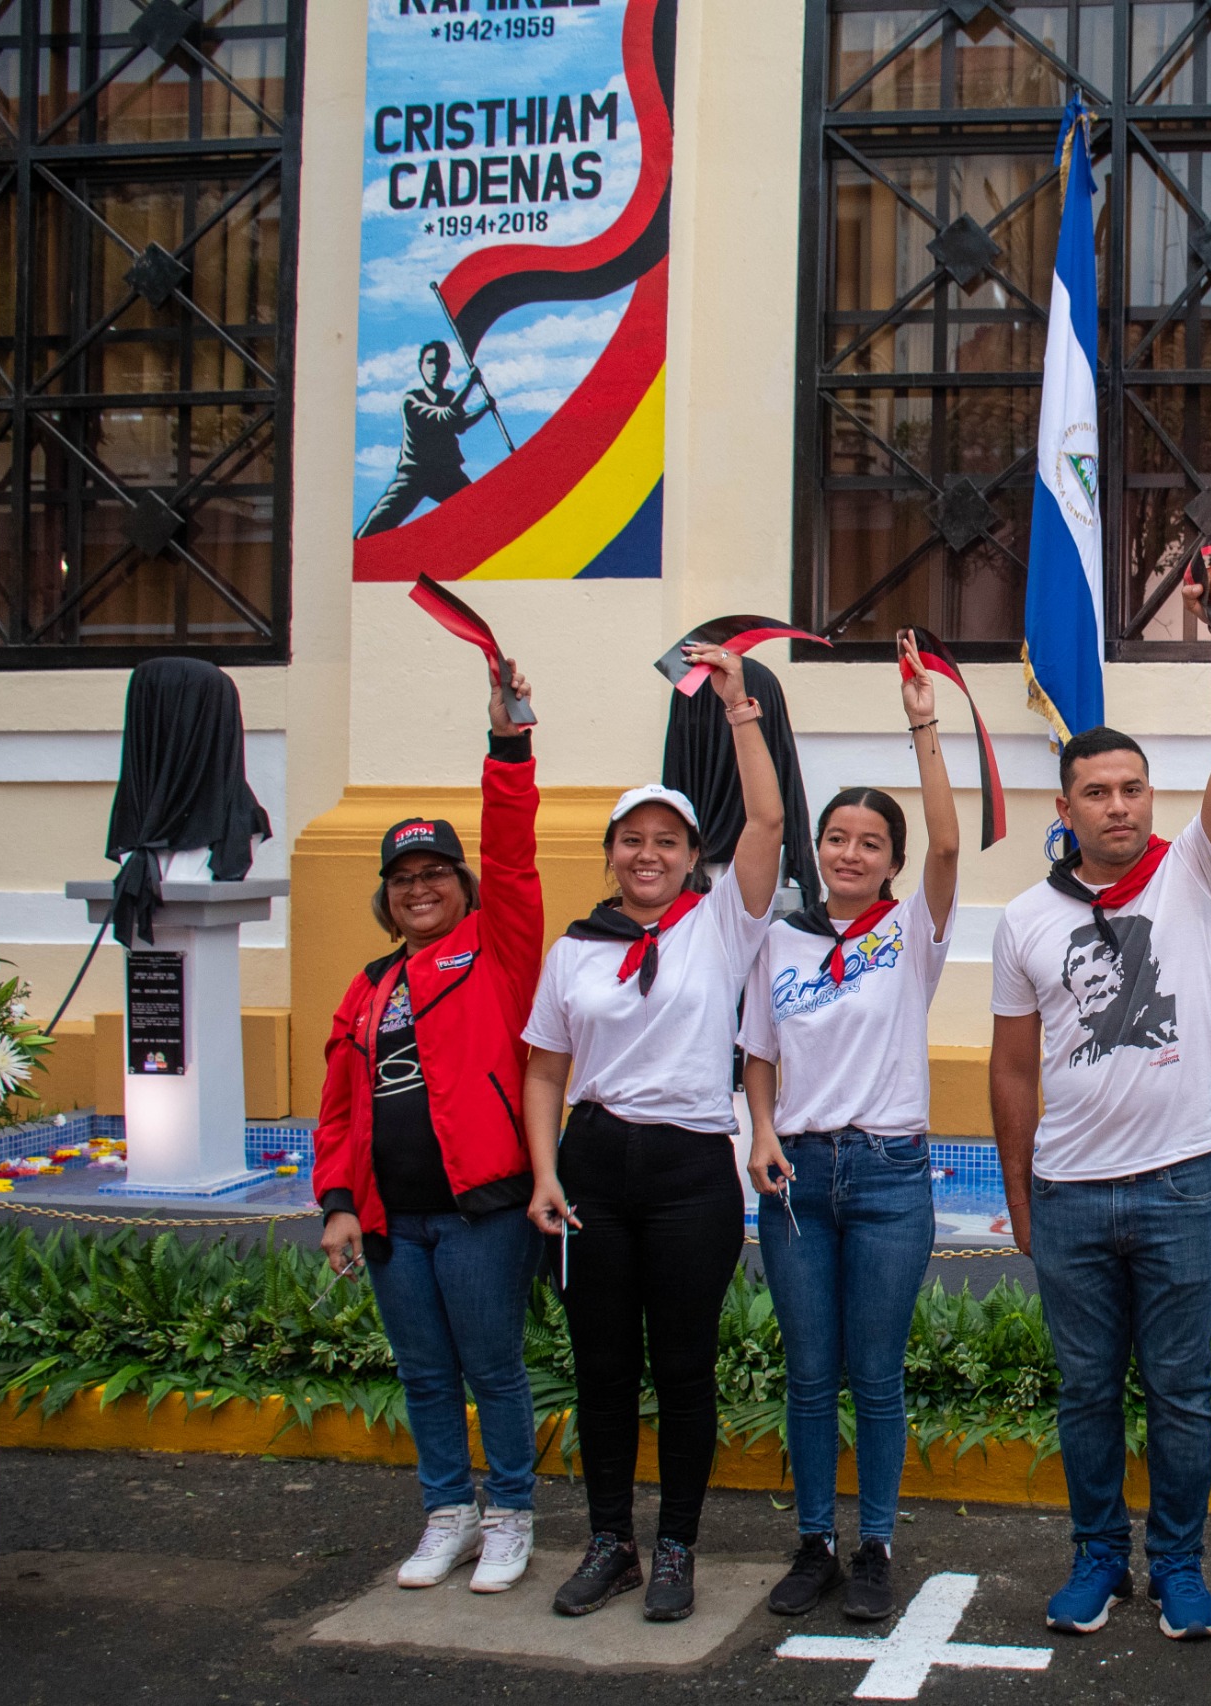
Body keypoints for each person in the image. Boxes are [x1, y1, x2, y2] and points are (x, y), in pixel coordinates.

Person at [987, 555, 1211, 1642]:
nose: (1117, 805)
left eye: (1132, 788)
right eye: (1097, 792)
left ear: (1152, 797)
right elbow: (1013, 1068)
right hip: (1069, 1190)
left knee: (1184, 1396)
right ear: (1066, 806)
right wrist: (1017, 1190)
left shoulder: (1198, 873)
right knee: (1088, 1393)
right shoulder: (1025, 918)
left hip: (1183, 1183)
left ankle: (1180, 1565)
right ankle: (1099, 1556)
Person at [520, 643, 784, 1623]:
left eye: (667, 841)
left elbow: (766, 818)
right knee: (600, 1366)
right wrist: (544, 1172)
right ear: (611, 853)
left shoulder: (720, 926)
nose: (648, 854)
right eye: (633, 840)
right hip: (592, 1163)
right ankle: (607, 1542)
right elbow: (545, 1066)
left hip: (687, 1173)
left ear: (690, 856)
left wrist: (738, 711)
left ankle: (675, 1545)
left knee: (680, 1366)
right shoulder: (575, 948)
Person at [313, 664, 544, 1595]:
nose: (419, 889)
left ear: (462, 884)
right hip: (389, 1222)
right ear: (387, 893)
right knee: (424, 1374)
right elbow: (337, 1109)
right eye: (403, 878)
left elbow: (516, 851)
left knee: (493, 1368)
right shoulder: (367, 988)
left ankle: (512, 1516)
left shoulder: (497, 953)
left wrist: (509, 743)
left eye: (435, 874)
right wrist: (335, 1204)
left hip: (482, 1212)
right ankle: (446, 1513)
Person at [749, 632, 962, 1625]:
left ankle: (874, 1541)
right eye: (837, 836)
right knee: (807, 1370)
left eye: (870, 842)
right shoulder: (777, 938)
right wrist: (759, 1130)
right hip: (795, 1178)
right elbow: (758, 1053)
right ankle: (812, 1542)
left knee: (873, 1372)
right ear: (817, 847)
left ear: (891, 862)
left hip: (885, 1175)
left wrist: (923, 724)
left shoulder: (908, 930)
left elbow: (953, 845)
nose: (849, 850)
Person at [358, 340, 491, 537]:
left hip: (446, 473)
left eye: (440, 362)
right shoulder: (411, 401)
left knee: (480, 516)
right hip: (415, 474)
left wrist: (484, 408)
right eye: (430, 362)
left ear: (447, 367)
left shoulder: (449, 396)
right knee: (374, 528)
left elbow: (459, 424)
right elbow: (445, 415)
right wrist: (470, 384)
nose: (435, 368)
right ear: (421, 366)